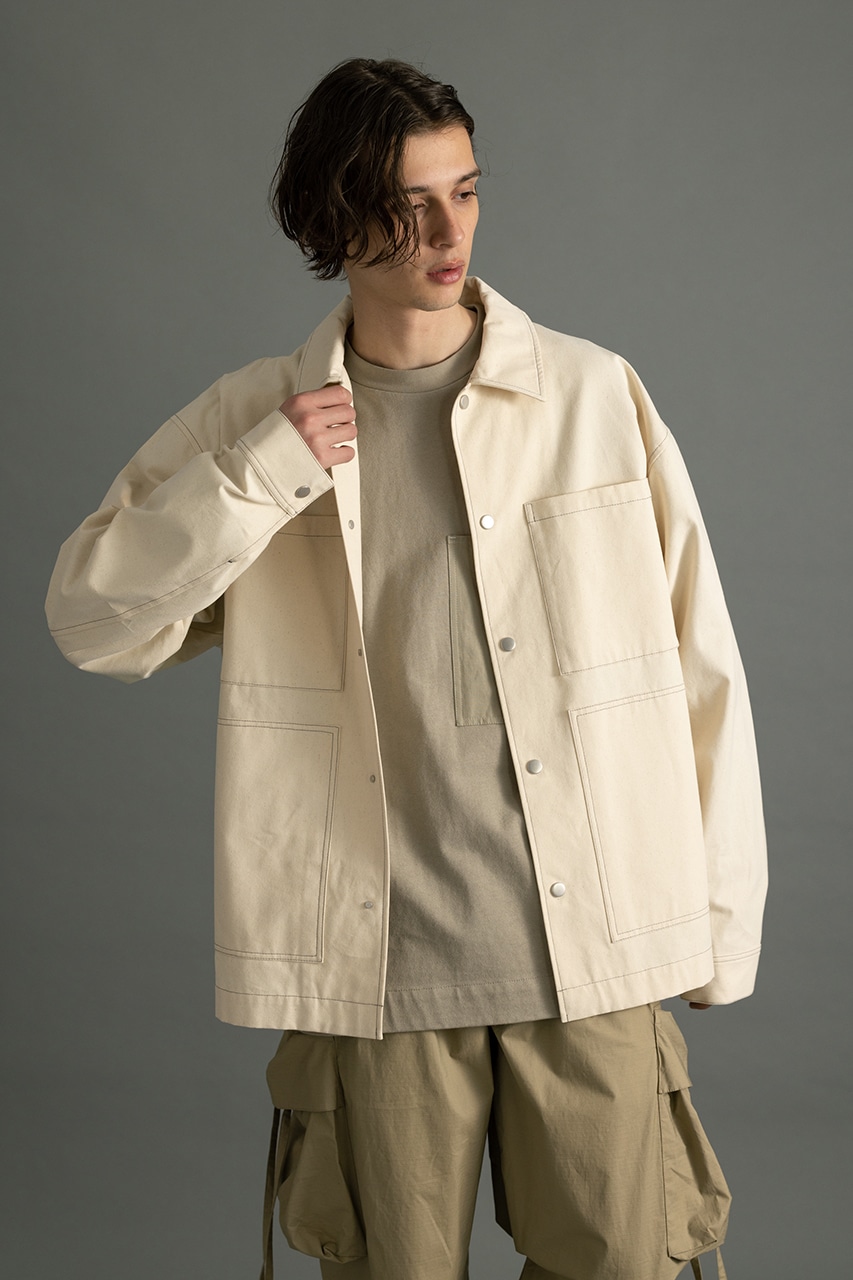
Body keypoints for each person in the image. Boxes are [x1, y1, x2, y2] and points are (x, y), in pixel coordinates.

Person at [46, 57, 766, 1280]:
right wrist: (258, 476)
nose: (448, 233)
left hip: (591, 948)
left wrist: (717, 924)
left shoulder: (593, 395)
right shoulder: (256, 416)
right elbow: (92, 619)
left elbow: (703, 661)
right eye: (406, 203)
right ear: (330, 217)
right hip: (377, 969)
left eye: (464, 191)